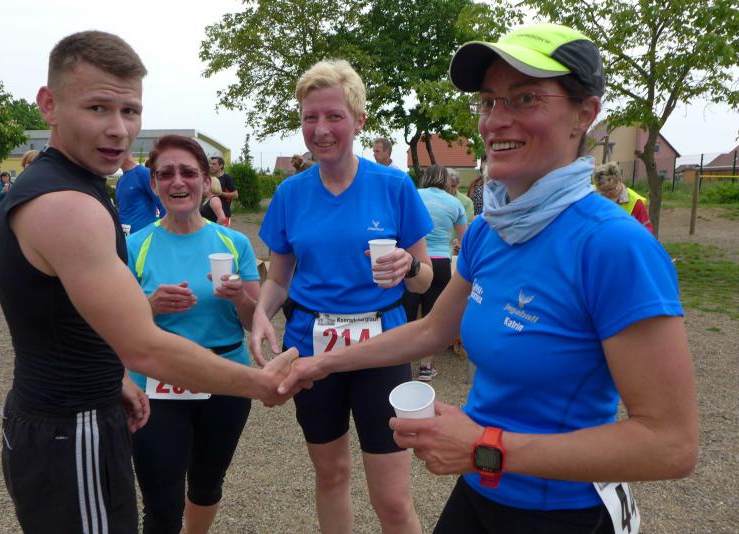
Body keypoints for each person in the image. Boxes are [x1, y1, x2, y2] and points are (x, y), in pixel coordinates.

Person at [280, 23, 698, 534]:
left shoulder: (613, 245)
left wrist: (485, 447)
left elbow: (671, 445)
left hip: (561, 512)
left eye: (525, 98)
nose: (496, 120)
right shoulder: (489, 230)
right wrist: (321, 364)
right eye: (489, 101)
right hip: (480, 488)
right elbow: (431, 330)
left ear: (584, 114)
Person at [0, 31, 300, 534]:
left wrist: (111, 378)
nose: (118, 129)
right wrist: (260, 383)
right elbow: (144, 348)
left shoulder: (75, 186)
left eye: (130, 111)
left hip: (80, 413)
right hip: (72, 426)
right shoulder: (68, 205)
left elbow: (64, 318)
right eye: (97, 108)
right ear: (48, 105)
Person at [250, 59, 434, 534]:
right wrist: (262, 314)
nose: (321, 129)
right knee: (331, 475)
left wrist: (410, 266)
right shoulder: (290, 193)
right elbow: (278, 279)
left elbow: (425, 279)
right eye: (310, 117)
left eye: (334, 116)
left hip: (382, 347)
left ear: (359, 121)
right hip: (312, 351)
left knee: (392, 497)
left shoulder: (393, 185)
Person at [127, 135, 259, 533]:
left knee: (206, 483)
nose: (178, 182)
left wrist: (239, 298)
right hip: (156, 383)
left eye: (188, 172)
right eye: (166, 174)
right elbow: (115, 325)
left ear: (205, 180)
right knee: (161, 501)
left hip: (225, 379)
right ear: (154, 184)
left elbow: (254, 321)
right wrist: (150, 306)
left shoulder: (233, 242)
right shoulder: (135, 246)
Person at [402, 164, 466, 381]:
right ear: (446, 181)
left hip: (413, 261)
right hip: (440, 263)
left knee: (407, 312)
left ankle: (401, 364)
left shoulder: (415, 195)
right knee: (433, 316)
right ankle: (426, 367)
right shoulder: (455, 203)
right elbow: (464, 241)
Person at [593, 161, 654, 233]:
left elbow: (647, 232)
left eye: (611, 189)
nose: (607, 193)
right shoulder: (593, 195)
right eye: (603, 190)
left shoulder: (635, 203)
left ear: (620, 180)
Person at [116, 154, 165, 235]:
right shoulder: (120, 180)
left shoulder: (144, 173)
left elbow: (163, 205)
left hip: (145, 237)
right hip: (125, 238)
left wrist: (162, 234)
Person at [209, 156, 238, 225]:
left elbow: (235, 195)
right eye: (210, 164)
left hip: (224, 214)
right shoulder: (212, 179)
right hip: (211, 214)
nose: (211, 166)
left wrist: (220, 193)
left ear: (221, 165)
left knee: (221, 232)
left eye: (214, 164)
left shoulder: (227, 178)